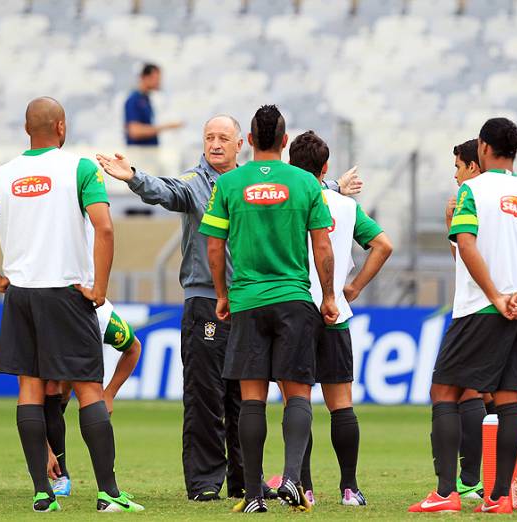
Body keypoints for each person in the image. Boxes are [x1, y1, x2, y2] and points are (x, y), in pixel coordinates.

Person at [96, 114, 362, 502]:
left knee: (244, 396)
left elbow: (291, 188)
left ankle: (244, 481)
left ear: (243, 143)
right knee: (206, 392)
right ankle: (205, 482)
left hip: (242, 301)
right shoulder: (195, 183)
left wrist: (334, 185)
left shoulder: (243, 181)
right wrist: (134, 176)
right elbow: (165, 191)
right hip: (208, 300)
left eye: (223, 137)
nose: (215, 144)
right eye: (208, 137)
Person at [0, 97, 143, 513]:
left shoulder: (2, 175)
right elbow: (105, 227)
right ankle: (108, 494)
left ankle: (43, 493)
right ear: (61, 127)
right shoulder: (79, 169)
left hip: (21, 293)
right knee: (89, 387)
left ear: (27, 130)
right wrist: (99, 289)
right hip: (67, 291)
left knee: (30, 389)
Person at [409, 117, 517, 514]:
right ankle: (497, 498)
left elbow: (465, 243)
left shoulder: (472, 191)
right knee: (510, 398)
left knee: (444, 391)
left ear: (482, 147)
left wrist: (495, 296)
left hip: (480, 308)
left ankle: (446, 493)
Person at [199, 105, 338, 513]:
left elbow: (213, 245)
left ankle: (255, 495)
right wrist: (328, 296)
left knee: (251, 397)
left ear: (251, 142)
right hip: (293, 299)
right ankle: (293, 480)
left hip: (247, 300)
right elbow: (323, 245)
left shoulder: (228, 183)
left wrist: (222, 295)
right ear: (282, 141)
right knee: (296, 392)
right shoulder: (305, 183)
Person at [287, 130, 392, 507]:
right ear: (326, 167)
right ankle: (350, 489)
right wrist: (354, 287)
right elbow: (383, 245)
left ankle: (304, 487)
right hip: (336, 312)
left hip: (293, 310)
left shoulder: (286, 201)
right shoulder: (345, 206)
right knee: (341, 403)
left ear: (288, 165)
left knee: (296, 401)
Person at [44, 303, 142, 498]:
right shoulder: (44, 318)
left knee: (79, 393)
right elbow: (29, 398)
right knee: (52, 387)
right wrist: (42, 449)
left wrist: (109, 394)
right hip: (49, 327)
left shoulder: (103, 317)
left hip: (76, 341)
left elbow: (134, 349)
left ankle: (105, 487)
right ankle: (59, 473)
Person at [442, 138, 492, 500]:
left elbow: (463, 262)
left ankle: (470, 480)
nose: (456, 175)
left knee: (462, 390)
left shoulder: (469, 199)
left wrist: (451, 225)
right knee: (499, 394)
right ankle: (499, 480)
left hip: (477, 306)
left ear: (473, 166)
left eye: (458, 167)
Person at [124, 63, 182, 146]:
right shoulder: (134, 100)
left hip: (149, 152)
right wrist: (168, 126)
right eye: (157, 79)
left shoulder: (146, 99)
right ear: (146, 78)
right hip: (139, 153)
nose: (159, 82)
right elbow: (134, 131)